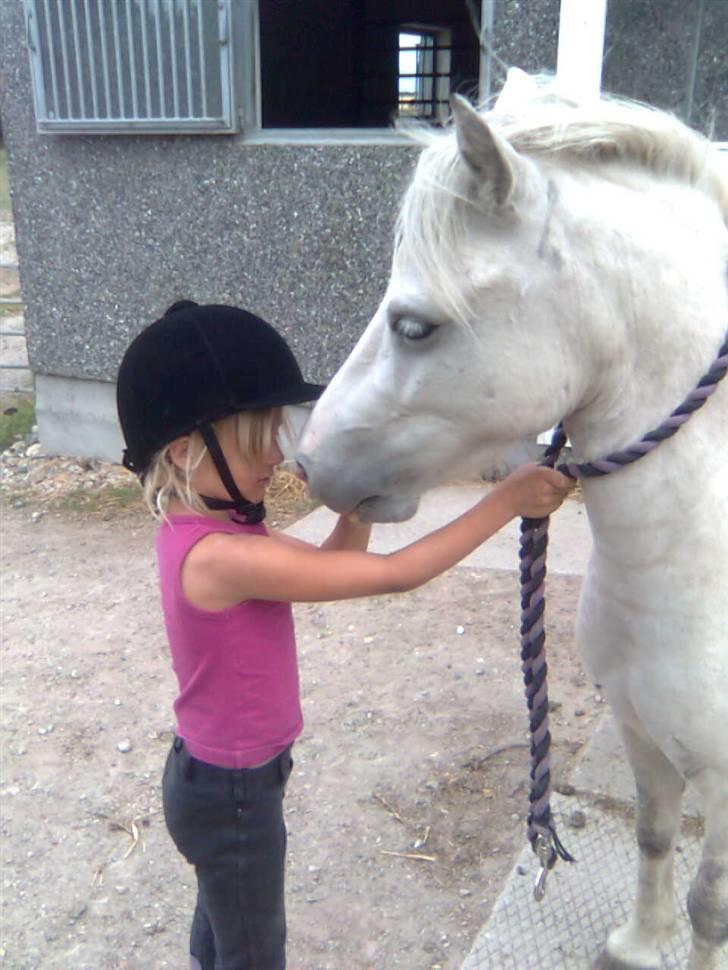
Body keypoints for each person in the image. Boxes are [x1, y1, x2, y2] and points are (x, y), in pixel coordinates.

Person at [116, 300, 574, 970]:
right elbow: (392, 575)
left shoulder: (208, 531)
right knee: (252, 950)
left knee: (223, 925)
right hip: (233, 792)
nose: (276, 453)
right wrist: (505, 501)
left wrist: (351, 504)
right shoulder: (220, 556)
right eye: (258, 438)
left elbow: (334, 560)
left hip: (220, 782)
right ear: (188, 451)